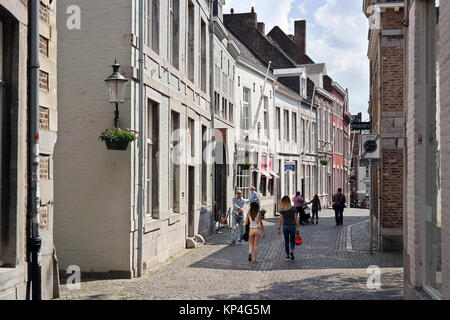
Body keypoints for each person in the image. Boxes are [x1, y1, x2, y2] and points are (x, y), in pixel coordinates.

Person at [277, 196, 300, 261]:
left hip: (285, 227)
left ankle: (287, 256)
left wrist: (278, 228)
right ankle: (292, 250)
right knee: (292, 240)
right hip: (292, 226)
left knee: (286, 241)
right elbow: (296, 219)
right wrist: (298, 228)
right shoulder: (293, 209)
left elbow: (280, 219)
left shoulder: (282, 210)